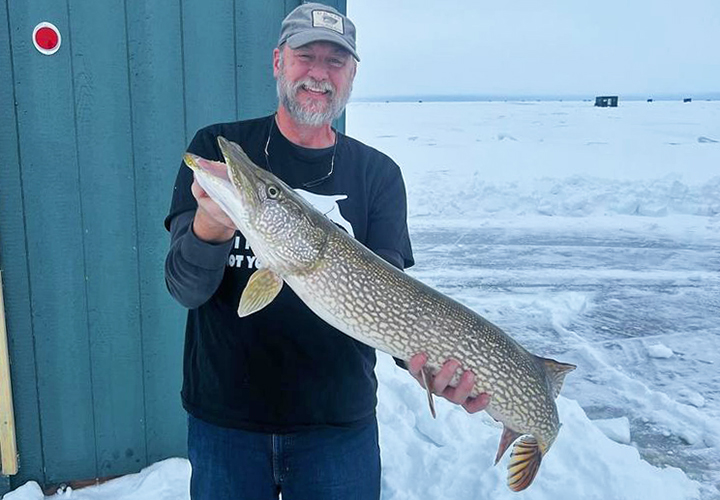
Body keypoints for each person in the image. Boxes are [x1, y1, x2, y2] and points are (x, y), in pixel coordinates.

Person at [164, 3, 489, 499]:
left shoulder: (378, 175)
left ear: (352, 75)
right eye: (305, 56)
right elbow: (185, 288)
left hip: (337, 432)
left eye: (335, 61)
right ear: (278, 62)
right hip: (226, 424)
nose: (318, 73)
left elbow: (393, 303)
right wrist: (211, 224)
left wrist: (429, 365)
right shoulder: (219, 146)